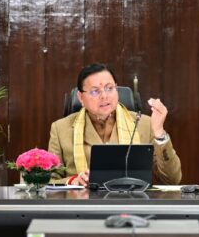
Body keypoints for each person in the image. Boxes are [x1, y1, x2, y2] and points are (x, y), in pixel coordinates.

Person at [48, 63, 182, 186]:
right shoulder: (60, 129)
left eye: (109, 88)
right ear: (81, 97)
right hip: (83, 202)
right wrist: (72, 180)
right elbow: (48, 181)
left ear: (116, 89)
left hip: (132, 201)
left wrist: (159, 133)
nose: (104, 96)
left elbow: (172, 180)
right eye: (95, 91)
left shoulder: (144, 124)